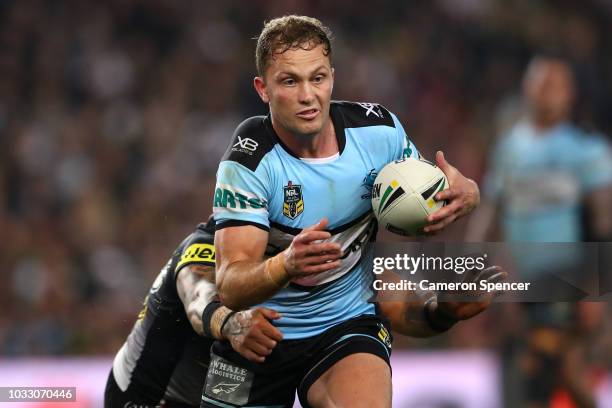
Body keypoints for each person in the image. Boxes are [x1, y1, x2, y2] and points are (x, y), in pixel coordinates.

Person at [204, 15, 481, 408]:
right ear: (263, 89)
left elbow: (430, 198)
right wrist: (284, 264)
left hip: (347, 324)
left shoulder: (379, 132)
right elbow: (229, 284)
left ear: (332, 77)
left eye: (317, 78)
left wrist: (469, 194)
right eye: (289, 81)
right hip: (257, 336)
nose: (307, 95)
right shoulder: (248, 161)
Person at [105, 217, 505, 408]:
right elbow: (197, 293)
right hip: (149, 399)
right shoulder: (212, 244)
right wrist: (231, 322)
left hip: (231, 393)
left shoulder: (326, 249)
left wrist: (443, 310)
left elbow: (398, 305)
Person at [467, 56, 612, 408]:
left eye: (555, 85)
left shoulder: (586, 150)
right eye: (540, 83)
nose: (546, 92)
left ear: (570, 94)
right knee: (529, 377)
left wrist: (596, 294)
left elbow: (604, 224)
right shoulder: (509, 150)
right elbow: (490, 213)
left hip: (567, 278)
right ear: (526, 88)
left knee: (561, 369)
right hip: (517, 281)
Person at [104, 217, 283, 408]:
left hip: (215, 393)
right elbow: (199, 300)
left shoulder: (285, 253)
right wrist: (234, 325)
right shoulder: (206, 244)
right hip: (149, 394)